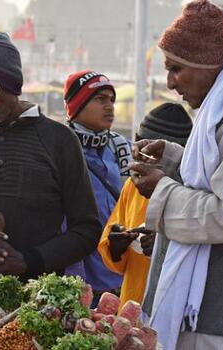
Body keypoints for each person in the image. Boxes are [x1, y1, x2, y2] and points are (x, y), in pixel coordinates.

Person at [130, 1, 223, 349]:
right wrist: (173, 160)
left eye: (176, 69)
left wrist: (163, 191)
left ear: (206, 65)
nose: (170, 82)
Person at [0, 29, 101, 280]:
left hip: (40, 298)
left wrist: (28, 261)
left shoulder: (59, 140)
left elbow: (87, 230)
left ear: (13, 85)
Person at [97, 103, 192, 310]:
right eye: (138, 150)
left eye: (149, 156)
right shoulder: (133, 186)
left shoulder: (191, 191)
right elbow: (111, 250)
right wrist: (116, 246)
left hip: (173, 307)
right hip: (131, 303)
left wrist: (163, 244)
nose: (140, 160)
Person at [61, 70, 132, 302]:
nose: (109, 107)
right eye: (100, 99)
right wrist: (77, 287)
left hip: (124, 279)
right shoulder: (60, 150)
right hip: (83, 282)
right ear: (77, 105)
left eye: (112, 100)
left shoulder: (122, 149)